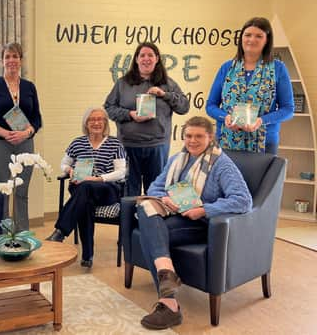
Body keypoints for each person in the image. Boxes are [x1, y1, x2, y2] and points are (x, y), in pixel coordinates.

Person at [134, 116, 252, 330]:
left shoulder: (221, 164)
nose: (192, 140)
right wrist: (167, 199)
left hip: (201, 223)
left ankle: (168, 301)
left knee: (149, 225)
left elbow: (244, 200)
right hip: (175, 215)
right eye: (189, 135)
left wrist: (204, 210)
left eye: (199, 136)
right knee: (146, 208)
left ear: (210, 137)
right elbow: (155, 188)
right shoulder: (176, 159)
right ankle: (168, 290)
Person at [105, 42, 189, 197]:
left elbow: (184, 107)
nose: (146, 59)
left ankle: (150, 221)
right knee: (129, 192)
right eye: (142, 55)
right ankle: (130, 221)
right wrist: (130, 114)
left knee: (155, 192)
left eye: (150, 55)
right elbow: (109, 107)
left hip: (157, 146)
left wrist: (165, 94)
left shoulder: (168, 84)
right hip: (128, 146)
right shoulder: (123, 83)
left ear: (157, 59)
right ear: (136, 59)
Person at [45, 107, 127, 268]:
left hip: (106, 188)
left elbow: (121, 171)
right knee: (86, 201)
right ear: (86, 123)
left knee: (86, 187)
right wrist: (70, 170)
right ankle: (87, 256)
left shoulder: (115, 144)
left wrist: (97, 178)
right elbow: (64, 163)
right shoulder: (78, 142)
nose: (96, 123)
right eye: (92, 119)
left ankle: (60, 232)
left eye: (100, 119)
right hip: (81, 188)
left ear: (105, 123)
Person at [0, 42, 42, 231]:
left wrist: (26, 133)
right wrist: (6, 133)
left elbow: (37, 119)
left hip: (25, 143)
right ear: (2, 61)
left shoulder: (29, 87)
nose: (11, 60)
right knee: (3, 190)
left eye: (15, 56)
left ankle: (22, 235)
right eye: (7, 57)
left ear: (21, 61)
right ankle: (4, 236)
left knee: (22, 191)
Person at [206, 16, 294, 154]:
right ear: (241, 38)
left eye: (259, 36)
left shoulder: (278, 68)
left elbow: (288, 109)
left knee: (261, 176)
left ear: (267, 40)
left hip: (264, 142)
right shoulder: (227, 68)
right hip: (226, 140)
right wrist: (225, 117)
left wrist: (261, 121)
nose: (252, 40)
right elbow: (210, 106)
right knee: (226, 176)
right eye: (248, 35)